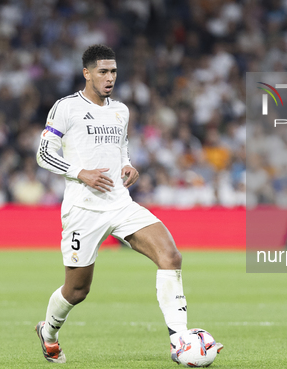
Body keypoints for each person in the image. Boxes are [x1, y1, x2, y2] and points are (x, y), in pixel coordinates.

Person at [35, 44, 222, 363]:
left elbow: (121, 149)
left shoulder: (121, 111)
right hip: (83, 209)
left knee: (170, 255)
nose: (110, 78)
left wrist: (128, 165)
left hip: (120, 203)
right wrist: (81, 173)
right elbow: (43, 153)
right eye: (103, 72)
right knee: (77, 291)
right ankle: (49, 332)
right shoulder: (66, 108)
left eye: (114, 71)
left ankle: (179, 339)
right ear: (87, 73)